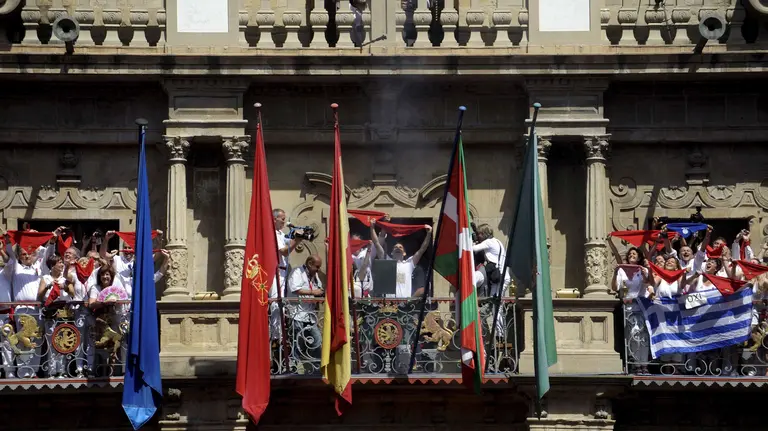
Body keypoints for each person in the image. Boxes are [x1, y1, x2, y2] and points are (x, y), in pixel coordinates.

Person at [371, 220, 432, 298]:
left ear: (404, 253)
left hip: (405, 304)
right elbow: (376, 244)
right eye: (395, 247)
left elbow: (422, 249)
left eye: (400, 247)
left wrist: (429, 234)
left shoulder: (409, 264)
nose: (398, 248)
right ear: (392, 252)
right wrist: (372, 227)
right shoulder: (387, 261)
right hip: (389, 304)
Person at [287, 255, 324, 368]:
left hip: (310, 315)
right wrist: (314, 292)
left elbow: (318, 288)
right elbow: (295, 289)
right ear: (309, 264)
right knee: (296, 343)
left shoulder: (315, 275)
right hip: (297, 314)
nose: (318, 269)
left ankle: (316, 366)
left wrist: (320, 296)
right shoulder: (297, 272)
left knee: (317, 341)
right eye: (316, 267)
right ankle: (294, 367)